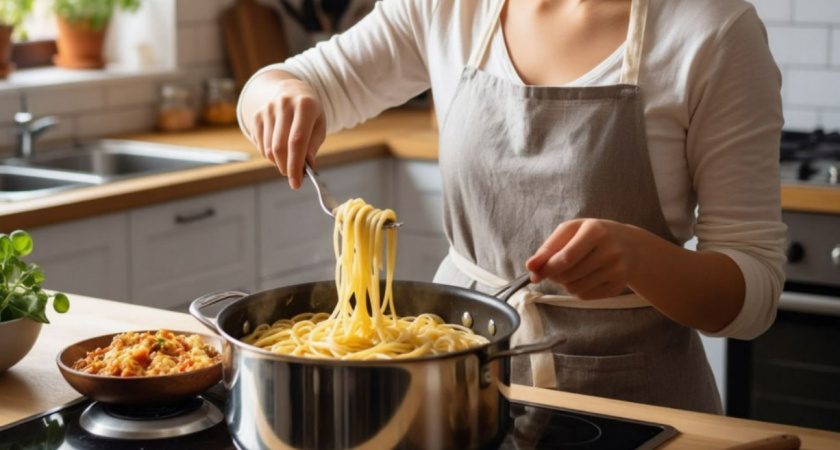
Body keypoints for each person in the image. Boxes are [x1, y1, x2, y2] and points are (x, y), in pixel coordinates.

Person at [237, 0, 786, 414]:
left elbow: (754, 291)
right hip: (456, 387)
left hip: (637, 405)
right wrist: (278, 96)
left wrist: (641, 260)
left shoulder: (714, 29)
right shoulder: (450, 7)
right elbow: (287, 83)